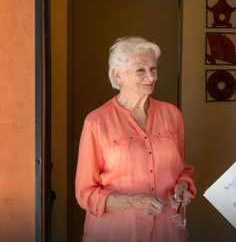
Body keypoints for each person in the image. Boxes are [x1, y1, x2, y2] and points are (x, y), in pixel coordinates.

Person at [75, 36, 196, 242]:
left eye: (153, 68)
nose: (150, 76)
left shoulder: (172, 114)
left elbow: (182, 170)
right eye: (141, 70)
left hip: (167, 232)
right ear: (118, 75)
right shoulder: (97, 122)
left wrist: (183, 187)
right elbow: (85, 194)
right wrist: (132, 201)